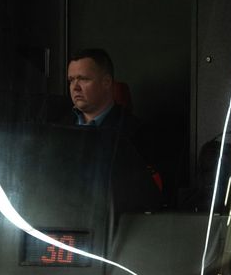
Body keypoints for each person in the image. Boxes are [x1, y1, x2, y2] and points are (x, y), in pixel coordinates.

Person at [65, 48, 163, 206]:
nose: (75, 87)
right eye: (71, 80)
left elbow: (146, 196)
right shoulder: (57, 127)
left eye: (83, 79)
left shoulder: (135, 133)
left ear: (106, 82)